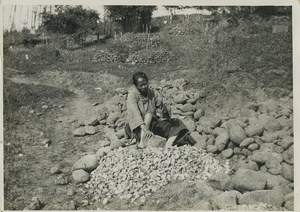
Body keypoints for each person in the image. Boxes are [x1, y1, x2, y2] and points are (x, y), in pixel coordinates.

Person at [125, 72, 196, 148]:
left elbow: (161, 104)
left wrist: (166, 109)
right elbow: (136, 116)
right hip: (138, 128)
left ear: (147, 82)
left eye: (145, 84)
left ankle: (168, 145)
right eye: (140, 85)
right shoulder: (132, 96)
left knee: (177, 123)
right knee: (148, 115)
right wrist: (146, 130)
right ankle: (142, 143)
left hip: (152, 125)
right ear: (135, 86)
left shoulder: (152, 92)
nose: (144, 87)